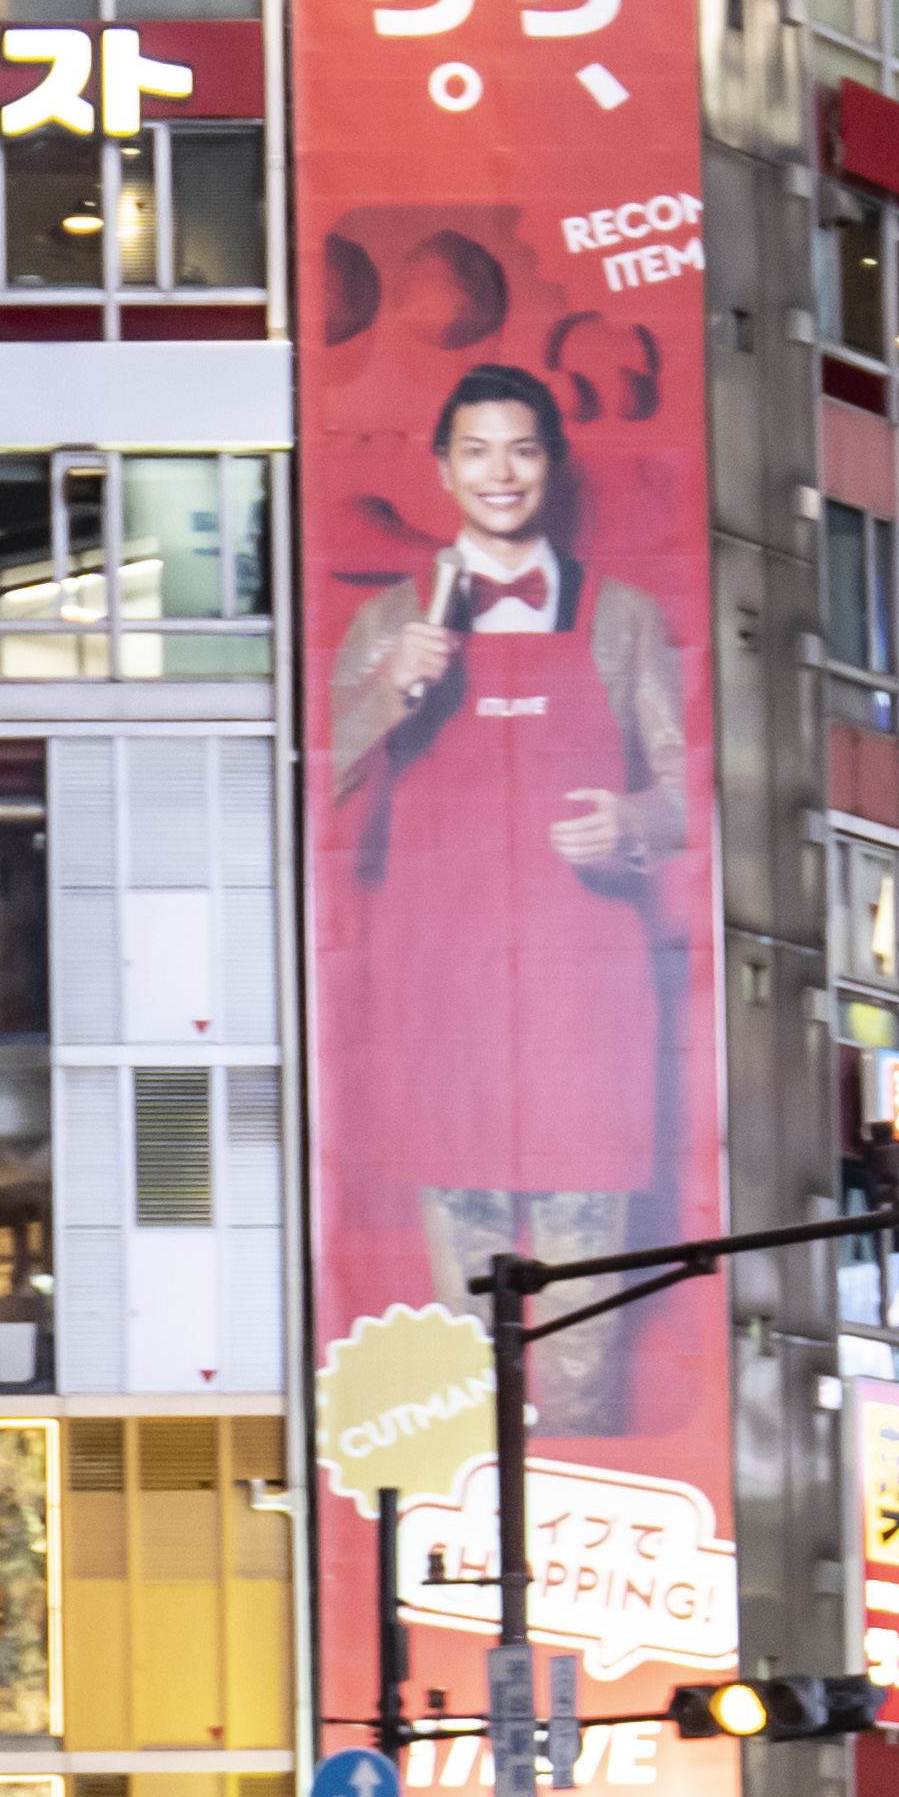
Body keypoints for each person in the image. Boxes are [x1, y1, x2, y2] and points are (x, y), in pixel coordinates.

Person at [327, 360, 690, 1388]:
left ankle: (569, 1437)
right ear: (442, 469)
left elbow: (682, 794)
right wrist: (390, 688)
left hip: (585, 996)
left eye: (522, 450)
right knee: (464, 1292)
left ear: (551, 466)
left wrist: (628, 822)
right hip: (442, 994)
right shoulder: (384, 622)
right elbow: (320, 774)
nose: (500, 473)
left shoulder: (622, 618)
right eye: (476, 451)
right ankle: (479, 1456)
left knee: (584, 1278)